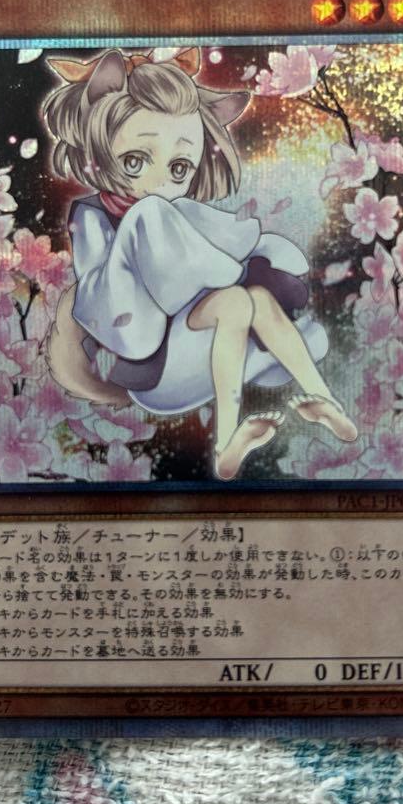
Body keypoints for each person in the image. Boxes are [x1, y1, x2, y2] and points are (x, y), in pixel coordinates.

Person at [42, 47, 357, 480]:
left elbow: (233, 240)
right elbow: (102, 300)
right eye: (135, 161)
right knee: (153, 218)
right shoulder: (94, 216)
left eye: (178, 168)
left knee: (250, 300)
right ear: (97, 148)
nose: (159, 180)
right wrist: (146, 243)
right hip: (150, 364)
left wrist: (258, 262)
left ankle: (291, 415)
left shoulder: (179, 213)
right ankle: (228, 279)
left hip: (200, 352)